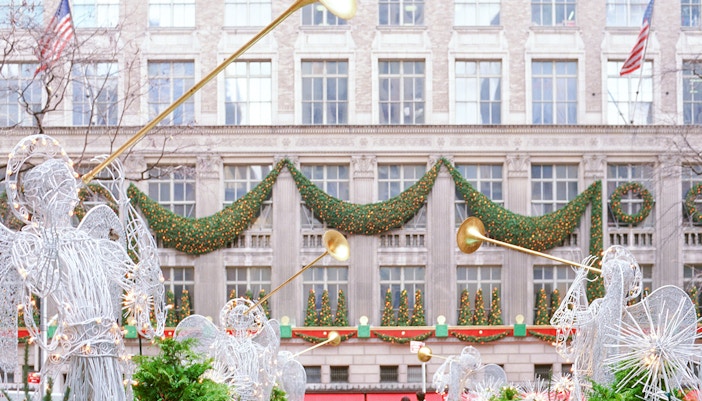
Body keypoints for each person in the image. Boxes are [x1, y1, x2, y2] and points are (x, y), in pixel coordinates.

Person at [0, 135, 166, 400]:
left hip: (110, 347)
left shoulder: (91, 242)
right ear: (37, 201)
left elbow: (137, 280)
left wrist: (124, 202)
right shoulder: (32, 243)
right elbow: (42, 282)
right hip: (77, 344)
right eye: (56, 190)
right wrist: (51, 245)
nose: (68, 196)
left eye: (66, 187)